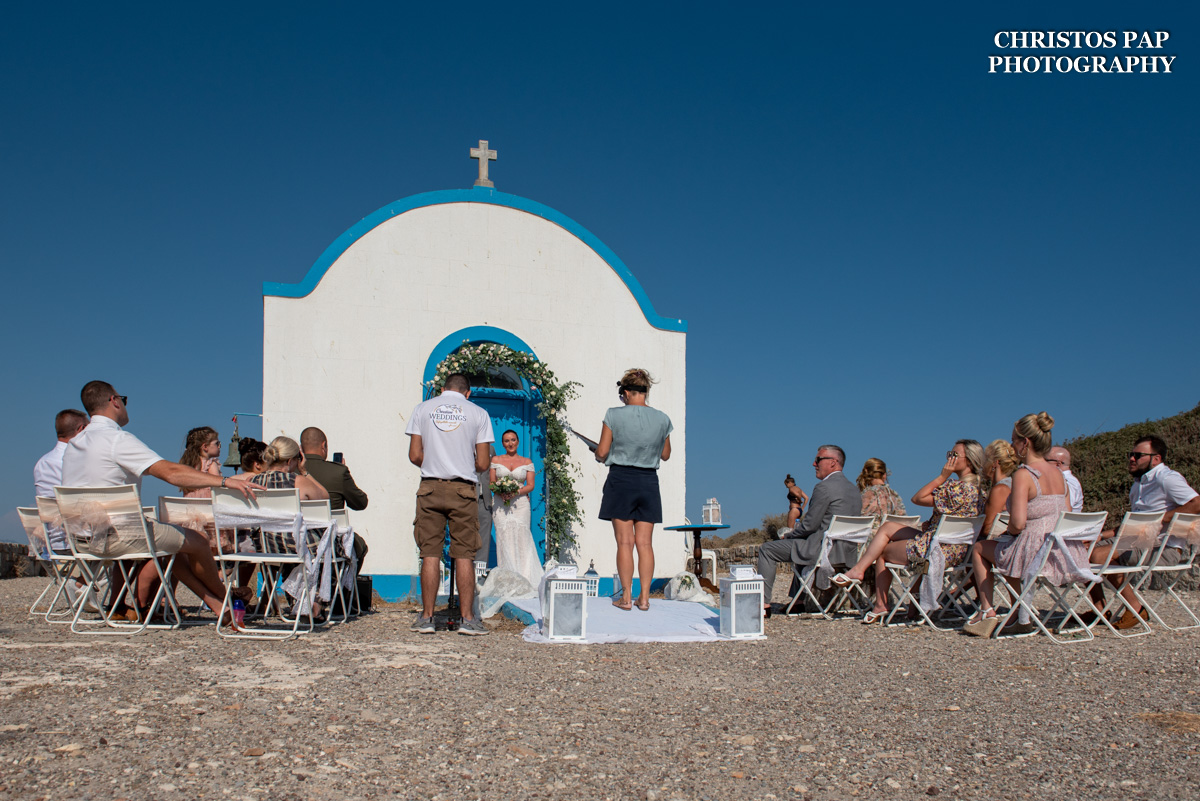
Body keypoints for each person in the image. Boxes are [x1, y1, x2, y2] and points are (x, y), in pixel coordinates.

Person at [61, 381, 256, 624]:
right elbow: (171, 473)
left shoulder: (74, 445)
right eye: (123, 399)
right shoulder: (116, 440)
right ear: (114, 401)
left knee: (175, 547)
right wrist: (226, 482)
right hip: (119, 536)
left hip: (82, 540)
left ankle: (218, 605)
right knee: (197, 540)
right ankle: (224, 596)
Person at [833, 440, 984, 623]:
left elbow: (918, 498)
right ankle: (863, 573)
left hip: (937, 549)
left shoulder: (954, 489)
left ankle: (880, 603)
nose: (949, 459)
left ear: (969, 461)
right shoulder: (980, 490)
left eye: (954, 455)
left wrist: (942, 476)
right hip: (957, 549)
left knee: (882, 554)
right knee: (887, 528)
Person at [965, 413, 1070, 638]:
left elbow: (1018, 523)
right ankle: (1019, 611)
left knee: (981, 549)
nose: (1012, 446)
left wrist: (1010, 532)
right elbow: (1067, 514)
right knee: (1009, 548)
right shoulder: (1060, 474)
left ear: (1026, 443)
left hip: (1033, 550)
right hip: (1059, 550)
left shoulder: (1024, 474)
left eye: (1013, 440)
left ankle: (987, 610)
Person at [406, 372, 494, 635]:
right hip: (462, 489)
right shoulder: (478, 413)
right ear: (468, 393)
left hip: (430, 486)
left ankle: (427, 618)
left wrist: (435, 464)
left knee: (430, 552)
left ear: (443, 389)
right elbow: (483, 463)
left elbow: (414, 455)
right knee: (465, 553)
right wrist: (460, 464)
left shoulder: (422, 409)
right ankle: (467, 619)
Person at [1087, 435, 1200, 629]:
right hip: (1137, 540)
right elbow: (1133, 523)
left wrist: (1160, 518)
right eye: (1131, 454)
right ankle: (1100, 608)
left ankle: (1135, 608)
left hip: (1164, 547)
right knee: (1082, 551)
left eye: (1138, 455)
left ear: (1156, 458)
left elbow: (1196, 503)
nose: (1132, 459)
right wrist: (1100, 535)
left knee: (1098, 555)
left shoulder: (1167, 479)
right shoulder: (1139, 484)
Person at [595, 368, 673, 612]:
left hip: (622, 479)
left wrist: (600, 454)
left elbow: (602, 452)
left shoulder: (613, 415)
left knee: (625, 542)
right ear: (646, 391)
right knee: (645, 544)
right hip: (649, 481)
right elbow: (666, 454)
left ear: (626, 392)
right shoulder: (662, 418)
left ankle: (626, 597)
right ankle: (646, 598)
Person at [756, 445, 861, 615]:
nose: (814, 463)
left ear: (833, 462)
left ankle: (762, 604)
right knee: (800, 544)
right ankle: (798, 601)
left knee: (767, 550)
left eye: (818, 459)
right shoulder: (854, 489)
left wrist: (788, 535)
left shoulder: (824, 488)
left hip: (824, 551)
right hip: (847, 552)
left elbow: (809, 525)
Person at [300, 426, 370, 569]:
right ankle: (342, 588)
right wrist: (343, 475)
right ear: (323, 446)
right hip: (330, 543)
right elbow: (360, 503)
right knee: (360, 545)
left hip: (296, 542)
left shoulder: (291, 472)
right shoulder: (338, 472)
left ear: (301, 448)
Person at [489, 429, 543, 589]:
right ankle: (507, 579)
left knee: (521, 538)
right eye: (506, 441)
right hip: (500, 503)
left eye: (513, 440)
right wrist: (500, 491)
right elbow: (492, 482)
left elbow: (531, 485)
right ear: (502, 443)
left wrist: (515, 492)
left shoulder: (527, 462)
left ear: (518, 442)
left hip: (520, 504)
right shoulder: (496, 460)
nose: (510, 443)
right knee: (503, 537)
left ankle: (525, 578)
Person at [981, 440, 1020, 539]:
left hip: (1000, 544)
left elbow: (987, 530)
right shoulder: (1015, 484)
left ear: (995, 463)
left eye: (986, 460)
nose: (982, 465)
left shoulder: (1000, 490)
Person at [857, 458, 905, 531]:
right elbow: (903, 518)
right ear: (884, 475)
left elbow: (858, 520)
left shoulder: (868, 494)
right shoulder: (894, 494)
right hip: (893, 537)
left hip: (871, 538)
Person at [179, 426, 223, 498]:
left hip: (191, 507)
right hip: (208, 506)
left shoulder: (189, 465)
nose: (219, 446)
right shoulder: (211, 463)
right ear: (205, 446)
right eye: (217, 443)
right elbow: (218, 484)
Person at [1047, 446, 1083, 512]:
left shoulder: (1068, 482)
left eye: (1047, 460)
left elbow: (1064, 508)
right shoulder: (1071, 481)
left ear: (1058, 464)